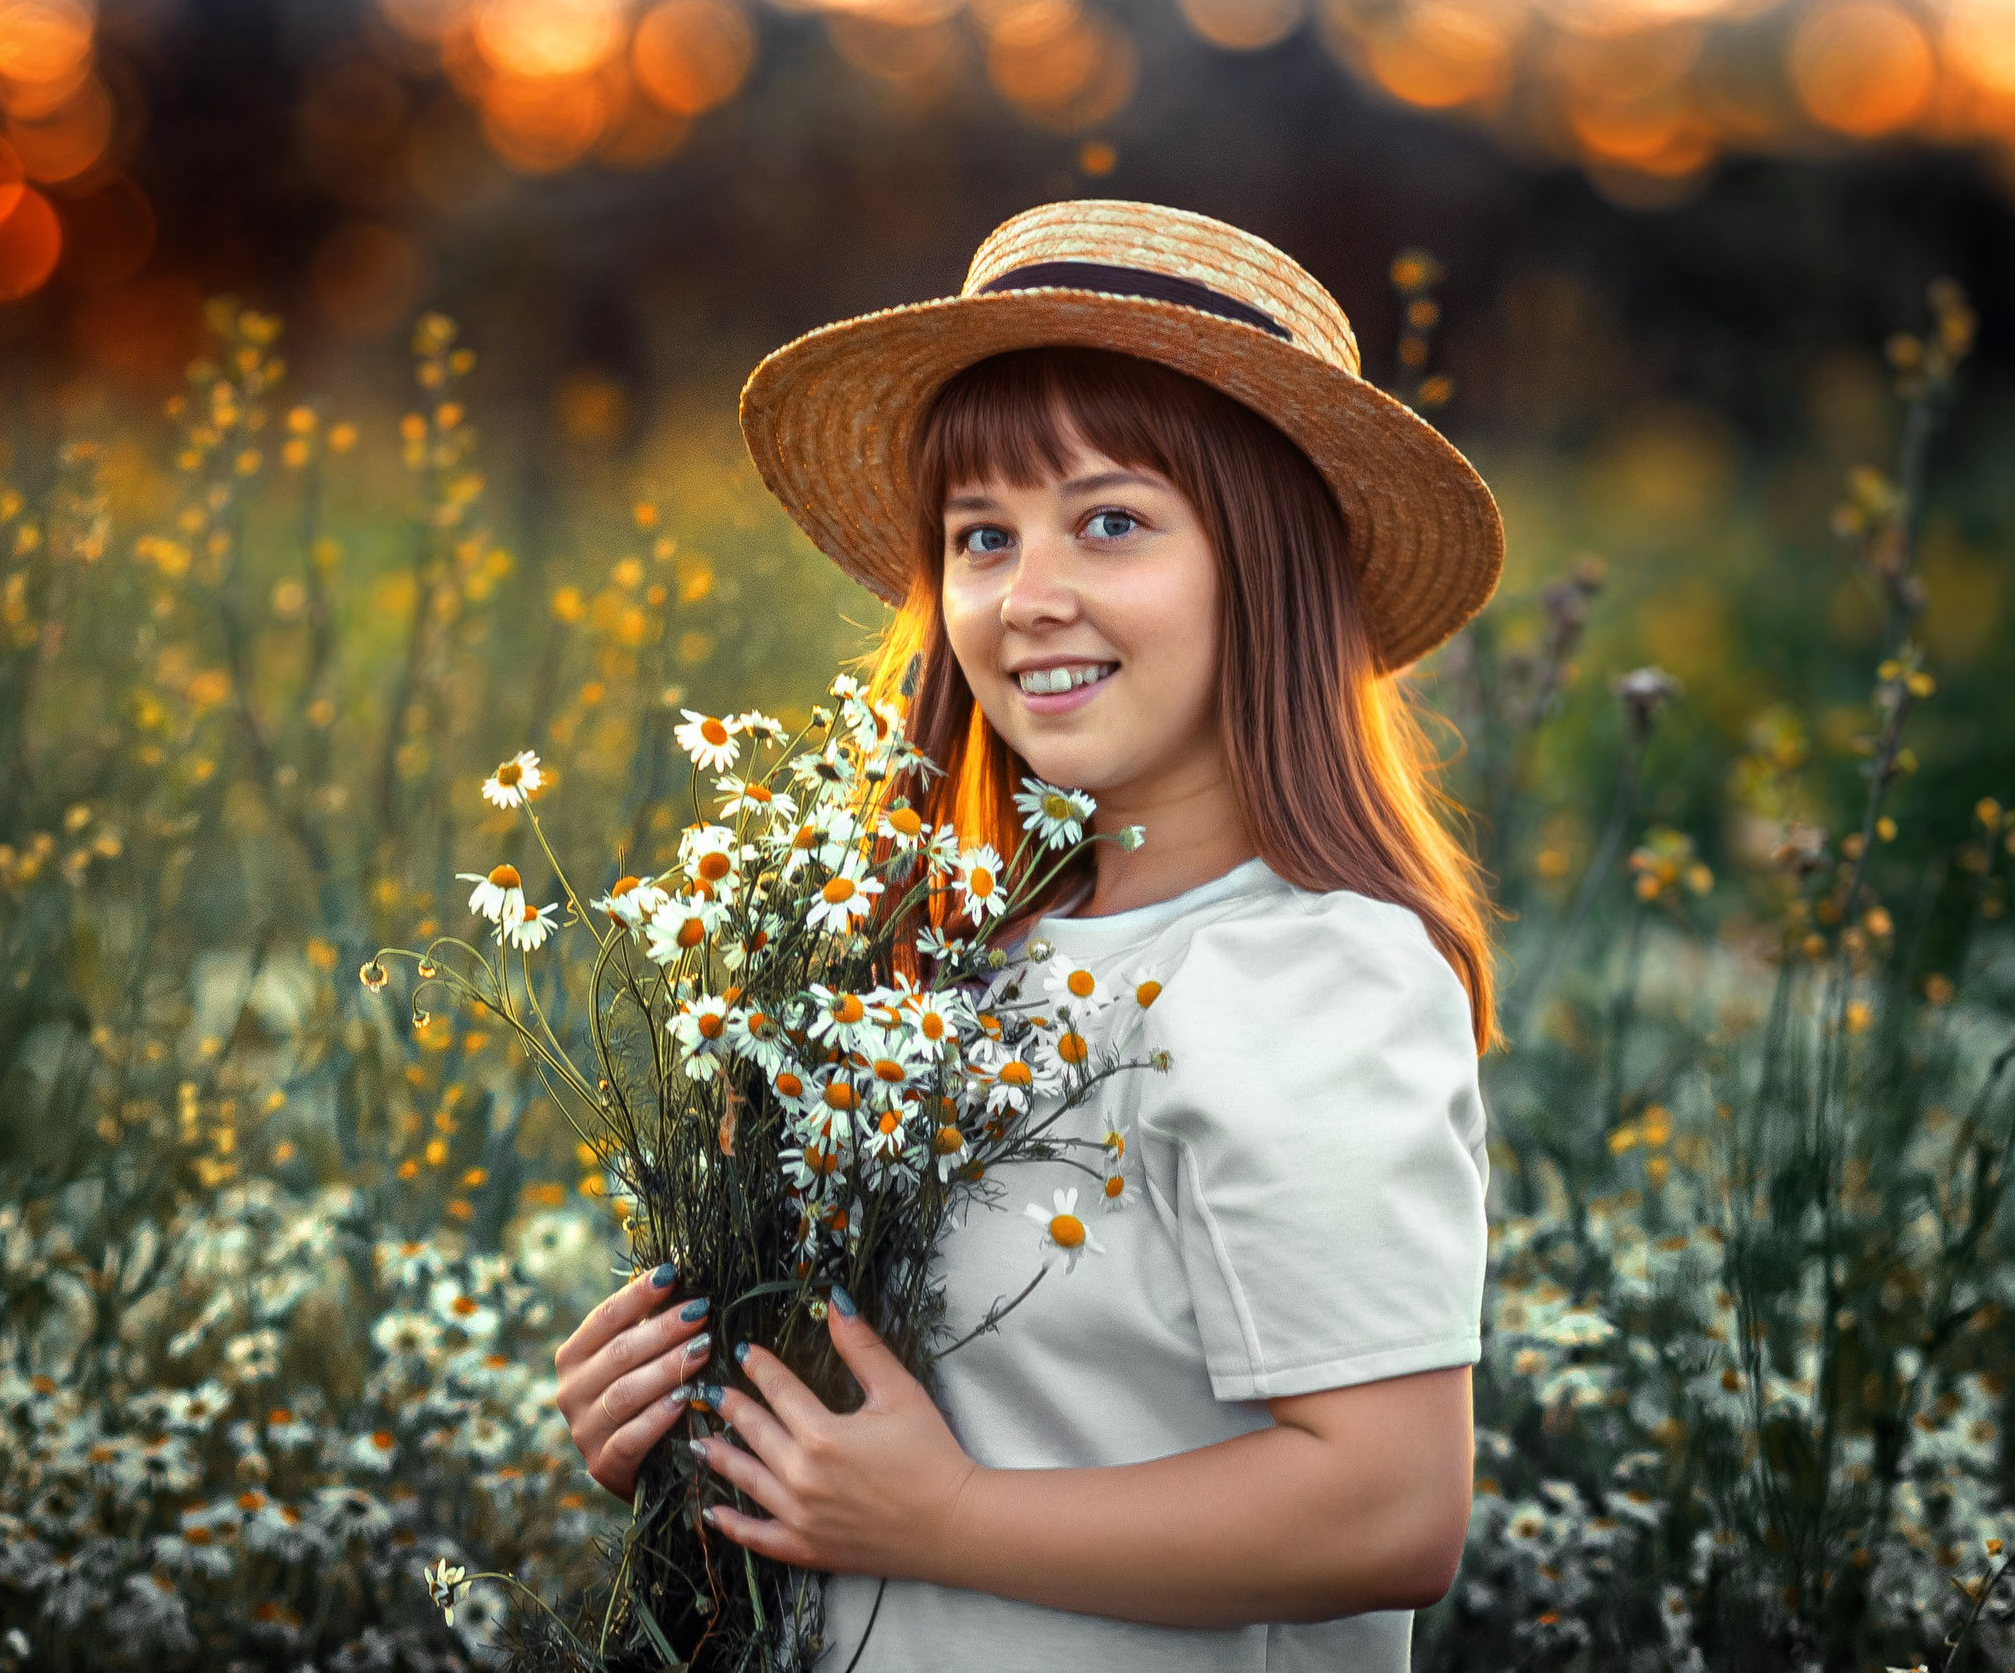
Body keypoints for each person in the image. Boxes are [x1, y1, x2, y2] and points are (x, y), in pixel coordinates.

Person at [550, 199, 1505, 1672]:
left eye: (1111, 521)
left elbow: (1389, 1509)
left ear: (1268, 565)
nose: (1028, 597)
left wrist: (947, 1522)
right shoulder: (932, 964)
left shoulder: (1313, 975)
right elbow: (885, 1433)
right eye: (980, 536)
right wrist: (686, 1427)